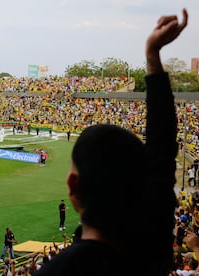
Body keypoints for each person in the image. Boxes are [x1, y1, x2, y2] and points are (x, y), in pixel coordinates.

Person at [34, 8, 188, 276]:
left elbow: (161, 149)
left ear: (72, 185)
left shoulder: (59, 270)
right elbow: (162, 148)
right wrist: (152, 57)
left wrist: (152, 55)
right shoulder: (151, 241)